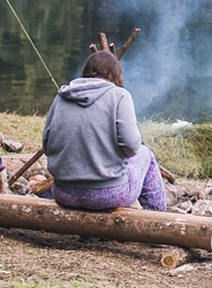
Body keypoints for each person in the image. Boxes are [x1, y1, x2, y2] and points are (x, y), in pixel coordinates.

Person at [41, 49, 166, 212]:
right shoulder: (119, 96)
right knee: (145, 154)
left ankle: (90, 235)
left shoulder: (62, 96)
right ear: (115, 74)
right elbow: (132, 146)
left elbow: (46, 144)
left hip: (64, 192)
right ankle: (157, 223)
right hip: (107, 194)